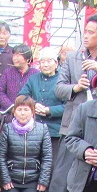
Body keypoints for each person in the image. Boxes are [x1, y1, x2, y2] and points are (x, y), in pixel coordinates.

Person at [25, 14, 97, 192]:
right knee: (61, 174)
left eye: (91, 32)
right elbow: (59, 88)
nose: (85, 36)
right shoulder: (72, 58)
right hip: (74, 125)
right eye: (84, 32)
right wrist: (76, 87)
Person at [0, 95, 51, 192]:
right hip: (12, 179)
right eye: (19, 109)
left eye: (26, 110)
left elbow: (47, 158)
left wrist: (43, 180)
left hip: (32, 179)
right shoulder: (7, 129)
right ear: (14, 112)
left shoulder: (42, 129)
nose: (23, 113)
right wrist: (5, 179)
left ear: (32, 112)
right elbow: (1, 156)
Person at [19, 47, 64, 184]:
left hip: (55, 131)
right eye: (42, 62)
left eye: (49, 61)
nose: (45, 64)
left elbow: (69, 106)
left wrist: (49, 111)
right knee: (34, 162)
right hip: (35, 128)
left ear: (56, 63)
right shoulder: (33, 79)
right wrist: (33, 105)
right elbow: (21, 97)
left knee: (52, 166)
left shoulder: (63, 80)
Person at [0, 44, 38, 111]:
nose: (15, 58)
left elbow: (38, 95)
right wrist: (12, 108)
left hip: (29, 114)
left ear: (27, 58)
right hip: (9, 113)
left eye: (18, 55)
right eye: (14, 55)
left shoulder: (35, 74)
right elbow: (0, 92)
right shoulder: (8, 72)